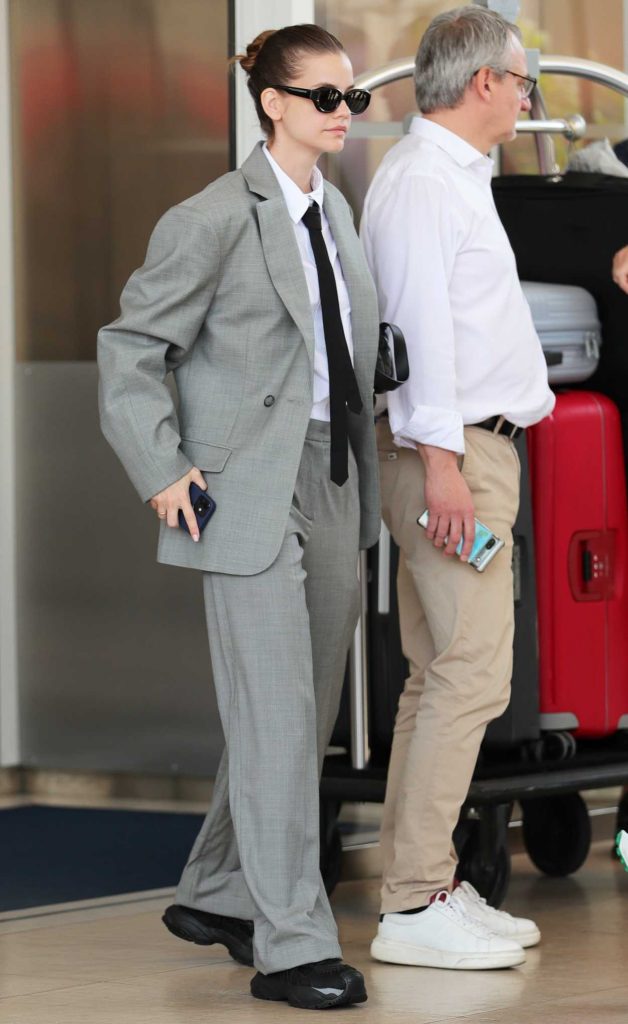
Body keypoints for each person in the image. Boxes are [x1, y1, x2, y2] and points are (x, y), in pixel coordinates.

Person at [97, 24, 381, 1010]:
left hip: (334, 475)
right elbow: (130, 344)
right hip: (238, 490)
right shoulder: (214, 214)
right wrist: (160, 466)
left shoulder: (335, 213)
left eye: (353, 98)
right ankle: (293, 942)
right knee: (275, 720)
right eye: (325, 98)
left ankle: (221, 889)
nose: (343, 114)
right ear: (272, 103)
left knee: (294, 714)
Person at [360, 6, 555, 970]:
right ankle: (412, 901)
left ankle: (423, 885)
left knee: (442, 675)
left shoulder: (451, 178)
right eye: (523, 81)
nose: (527, 97)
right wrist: (442, 466)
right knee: (470, 672)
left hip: (473, 453)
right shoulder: (422, 185)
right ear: (483, 83)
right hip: (453, 458)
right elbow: (416, 339)